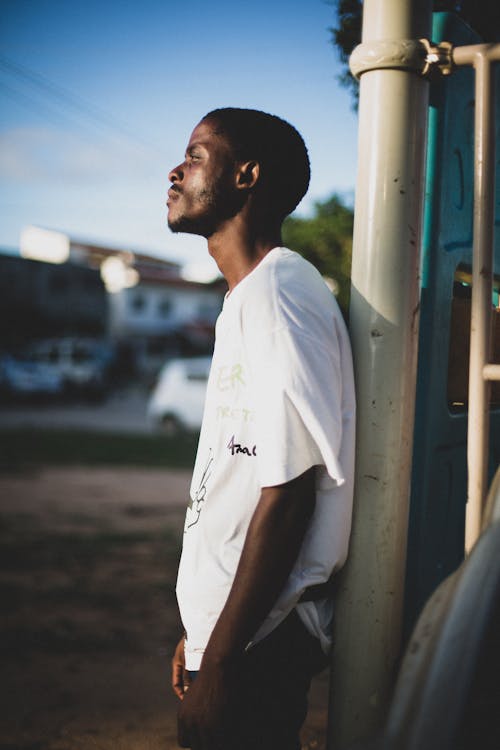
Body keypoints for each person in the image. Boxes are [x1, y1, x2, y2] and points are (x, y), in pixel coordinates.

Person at [167, 107, 355, 750]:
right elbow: (240, 476)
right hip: (235, 632)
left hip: (258, 643)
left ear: (246, 175)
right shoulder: (248, 297)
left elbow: (289, 489)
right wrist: (203, 626)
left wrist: (221, 661)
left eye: (194, 156)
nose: (175, 171)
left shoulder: (279, 294)